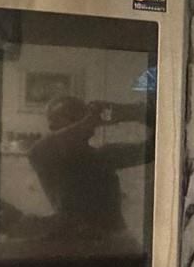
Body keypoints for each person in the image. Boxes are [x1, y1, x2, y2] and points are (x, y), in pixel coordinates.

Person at [27, 96, 148, 243]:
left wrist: (135, 112)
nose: (83, 122)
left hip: (111, 242)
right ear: (52, 127)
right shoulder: (42, 154)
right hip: (72, 241)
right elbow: (46, 147)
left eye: (80, 116)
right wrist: (92, 119)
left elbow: (155, 148)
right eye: (72, 117)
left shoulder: (103, 155)